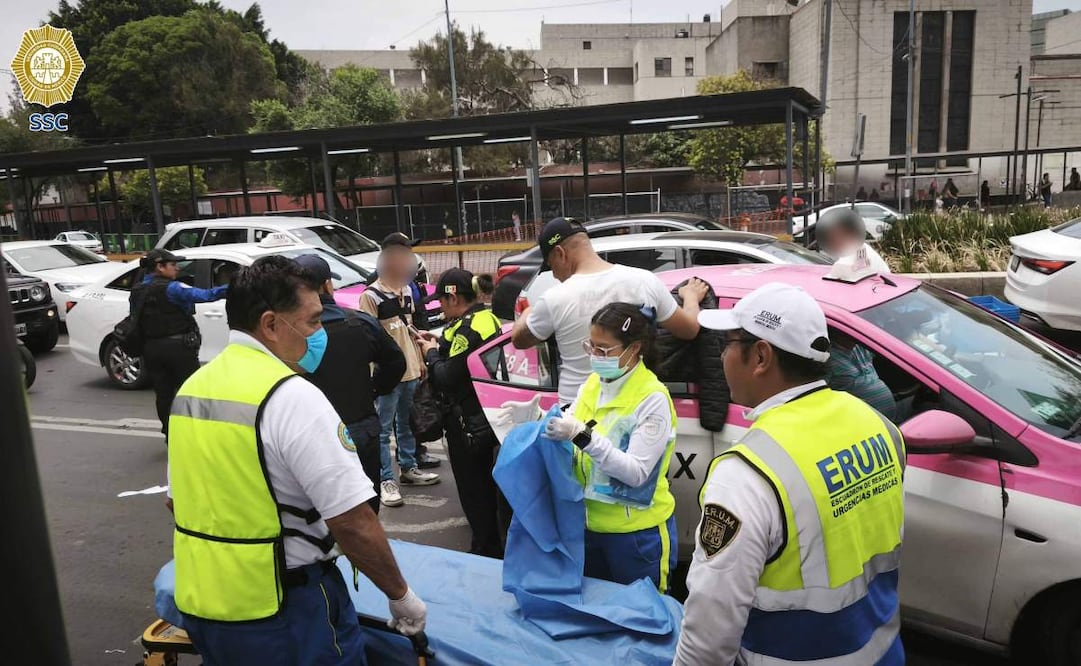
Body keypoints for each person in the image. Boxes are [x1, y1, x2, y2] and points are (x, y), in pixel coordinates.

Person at [168, 255, 427, 664]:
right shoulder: (291, 397)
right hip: (284, 610)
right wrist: (402, 596)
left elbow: (176, 499)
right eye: (311, 322)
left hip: (205, 601)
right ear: (271, 324)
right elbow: (353, 522)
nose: (320, 333)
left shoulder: (192, 390)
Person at [675, 282, 905, 665]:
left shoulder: (746, 475)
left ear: (761, 356)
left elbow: (708, 636)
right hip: (882, 653)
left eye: (726, 345)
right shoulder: (878, 425)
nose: (721, 358)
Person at [499, 302, 679, 592]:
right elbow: (571, 423)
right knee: (599, 618)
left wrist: (583, 436)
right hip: (589, 528)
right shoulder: (595, 383)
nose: (595, 356)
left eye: (604, 350)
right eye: (591, 346)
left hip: (637, 536)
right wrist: (538, 418)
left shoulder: (652, 398)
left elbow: (636, 472)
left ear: (633, 349)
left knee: (644, 622)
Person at [511, 217, 708, 404]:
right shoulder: (644, 281)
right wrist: (690, 296)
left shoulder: (554, 298)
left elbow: (519, 340)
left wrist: (528, 313)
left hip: (577, 413)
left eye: (551, 266)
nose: (554, 274)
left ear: (560, 253)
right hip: (634, 406)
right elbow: (689, 329)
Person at [299, 254, 406, 514]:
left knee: (320, 509)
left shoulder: (287, 332)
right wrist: (373, 388)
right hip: (359, 425)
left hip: (311, 431)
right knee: (366, 506)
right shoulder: (359, 322)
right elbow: (395, 363)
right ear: (327, 285)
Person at [417, 268, 506, 557]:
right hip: (487, 414)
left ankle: (485, 549)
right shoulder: (483, 318)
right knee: (488, 486)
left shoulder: (469, 329)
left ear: (453, 298)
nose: (440, 307)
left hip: (468, 422)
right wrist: (439, 343)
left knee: (474, 490)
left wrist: (431, 352)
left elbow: (447, 375)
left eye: (441, 301)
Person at [359, 233, 440, 507]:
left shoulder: (406, 290)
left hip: (411, 370)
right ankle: (385, 480)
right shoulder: (370, 296)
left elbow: (409, 329)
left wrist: (419, 360)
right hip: (387, 374)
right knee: (383, 430)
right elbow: (368, 338)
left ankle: (408, 467)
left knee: (407, 423)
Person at [130, 248, 226, 438]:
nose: (177, 270)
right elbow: (205, 295)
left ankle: (170, 433)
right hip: (177, 349)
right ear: (159, 267)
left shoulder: (137, 290)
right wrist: (234, 288)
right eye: (173, 265)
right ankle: (196, 433)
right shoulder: (172, 288)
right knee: (191, 390)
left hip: (151, 349)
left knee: (163, 394)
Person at [826, 330, 897, 420]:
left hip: (889, 419)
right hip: (864, 422)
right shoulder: (829, 358)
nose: (857, 332)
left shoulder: (860, 347)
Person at [815, 207, 891, 274]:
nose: (833, 241)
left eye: (835, 235)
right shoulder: (862, 248)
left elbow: (838, 273)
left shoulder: (848, 258)